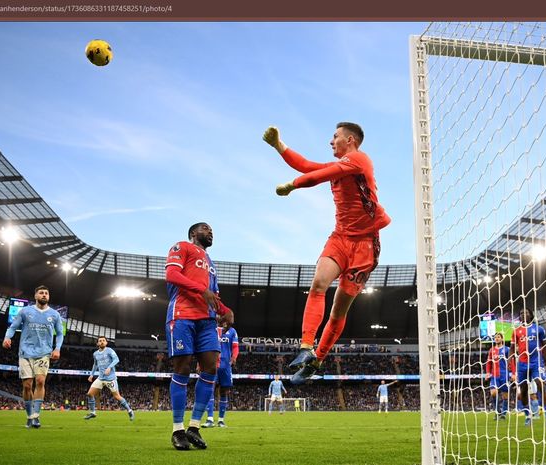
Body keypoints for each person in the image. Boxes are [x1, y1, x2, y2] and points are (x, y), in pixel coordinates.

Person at [263, 124, 391, 384]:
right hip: (340, 238)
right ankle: (306, 346)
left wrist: (291, 186)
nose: (330, 141)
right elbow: (307, 165)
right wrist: (279, 145)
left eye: (335, 136)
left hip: (365, 245)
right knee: (319, 283)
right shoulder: (341, 166)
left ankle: (317, 360)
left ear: (350, 140)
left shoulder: (358, 159)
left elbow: (313, 177)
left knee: (338, 310)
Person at [165, 222, 234, 451]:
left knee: (210, 369)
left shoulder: (211, 265)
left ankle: (194, 426)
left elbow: (212, 296)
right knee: (182, 368)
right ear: (194, 233)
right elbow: (172, 274)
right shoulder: (181, 247)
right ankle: (177, 429)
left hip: (207, 321)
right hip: (182, 315)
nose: (211, 231)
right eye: (206, 228)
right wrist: (199, 289)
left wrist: (225, 310)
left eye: (212, 229)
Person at [2, 285, 64, 428]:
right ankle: (29, 415)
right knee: (27, 385)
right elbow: (12, 327)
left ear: (48, 297)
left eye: (46, 293)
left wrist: (57, 348)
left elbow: (60, 333)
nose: (44, 295)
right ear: (35, 296)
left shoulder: (55, 314)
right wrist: (7, 338)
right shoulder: (25, 311)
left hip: (44, 353)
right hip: (25, 352)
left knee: (41, 381)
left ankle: (36, 416)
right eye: (41, 293)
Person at [510, 308, 546, 427]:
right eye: (521, 313)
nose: (524, 314)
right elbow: (512, 349)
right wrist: (511, 365)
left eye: (526, 313)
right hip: (522, 364)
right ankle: (527, 415)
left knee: (541, 385)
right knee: (523, 391)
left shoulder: (539, 329)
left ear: (531, 315)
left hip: (536, 362)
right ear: (519, 317)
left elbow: (545, 347)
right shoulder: (516, 331)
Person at [83, 336, 134, 421]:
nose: (102, 342)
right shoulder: (95, 354)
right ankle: (92, 413)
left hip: (110, 378)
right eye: (100, 341)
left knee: (117, 396)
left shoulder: (109, 350)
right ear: (97, 343)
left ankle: (130, 411)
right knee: (89, 394)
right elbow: (95, 364)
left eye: (103, 340)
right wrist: (91, 375)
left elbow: (116, 359)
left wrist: (109, 367)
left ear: (106, 343)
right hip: (101, 378)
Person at [203, 320, 239, 428]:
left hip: (225, 366)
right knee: (210, 389)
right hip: (212, 364)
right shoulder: (211, 329)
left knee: (224, 392)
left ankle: (221, 420)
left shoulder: (232, 331)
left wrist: (234, 357)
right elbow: (205, 345)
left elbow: (235, 347)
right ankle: (209, 419)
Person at [485, 332, 513, 419]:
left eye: (498, 337)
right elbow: (488, 362)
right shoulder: (491, 350)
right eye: (495, 337)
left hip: (504, 375)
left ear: (502, 339)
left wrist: (514, 373)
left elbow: (512, 362)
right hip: (494, 375)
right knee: (493, 393)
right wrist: (487, 372)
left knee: (505, 395)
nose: (496, 338)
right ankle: (497, 411)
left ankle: (503, 413)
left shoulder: (507, 349)